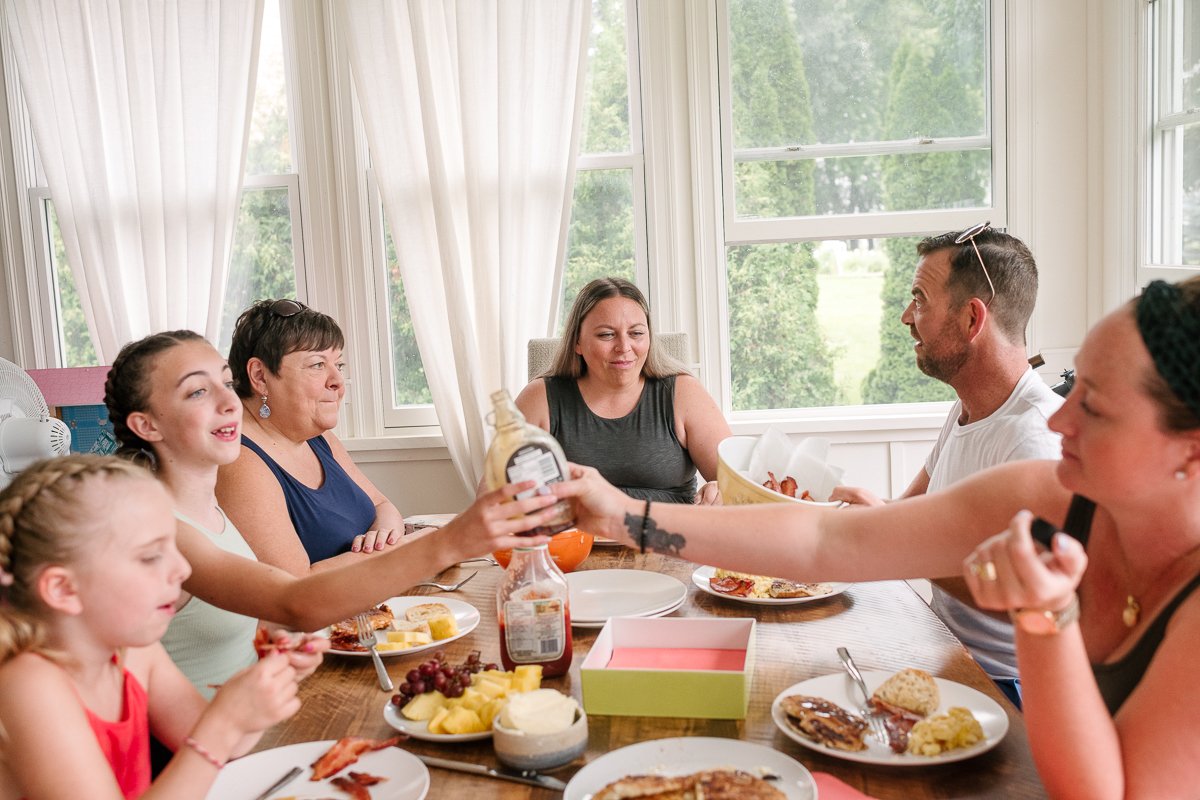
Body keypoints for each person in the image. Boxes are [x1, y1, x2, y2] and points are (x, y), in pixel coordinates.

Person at [555, 277, 1200, 799]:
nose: (1058, 414)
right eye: (1073, 384)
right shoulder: (1052, 494)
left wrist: (1045, 618)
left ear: (1191, 451)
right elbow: (826, 541)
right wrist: (624, 517)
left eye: (1094, 405)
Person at [104, 330, 558, 695]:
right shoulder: (162, 528)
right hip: (217, 752)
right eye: (197, 392)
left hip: (257, 720)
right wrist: (447, 540)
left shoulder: (211, 513)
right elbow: (293, 601)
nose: (228, 401)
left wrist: (275, 646)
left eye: (225, 381)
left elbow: (265, 616)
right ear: (146, 425)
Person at [831, 223, 1062, 707]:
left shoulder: (1036, 438)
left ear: (972, 319)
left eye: (920, 300)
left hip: (1010, 690)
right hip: (946, 654)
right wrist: (860, 517)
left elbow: (1030, 603)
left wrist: (891, 534)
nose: (905, 317)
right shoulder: (967, 409)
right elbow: (906, 515)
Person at [0, 456, 302, 799]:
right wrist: (222, 725)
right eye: (150, 556)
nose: (182, 569)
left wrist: (271, 679)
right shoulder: (28, 685)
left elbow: (228, 748)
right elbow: (215, 741)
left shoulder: (133, 652)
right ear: (63, 589)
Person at [216, 299, 404, 575]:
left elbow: (382, 505)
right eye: (317, 365)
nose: (338, 382)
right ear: (260, 376)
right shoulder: (238, 461)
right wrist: (401, 550)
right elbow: (295, 589)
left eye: (338, 365)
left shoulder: (319, 438)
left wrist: (383, 536)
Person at [514, 277, 730, 505]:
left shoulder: (683, 392)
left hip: (669, 536)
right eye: (606, 335)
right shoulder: (540, 398)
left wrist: (719, 489)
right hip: (573, 539)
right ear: (577, 341)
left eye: (636, 333)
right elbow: (494, 497)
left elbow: (738, 486)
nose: (624, 347)